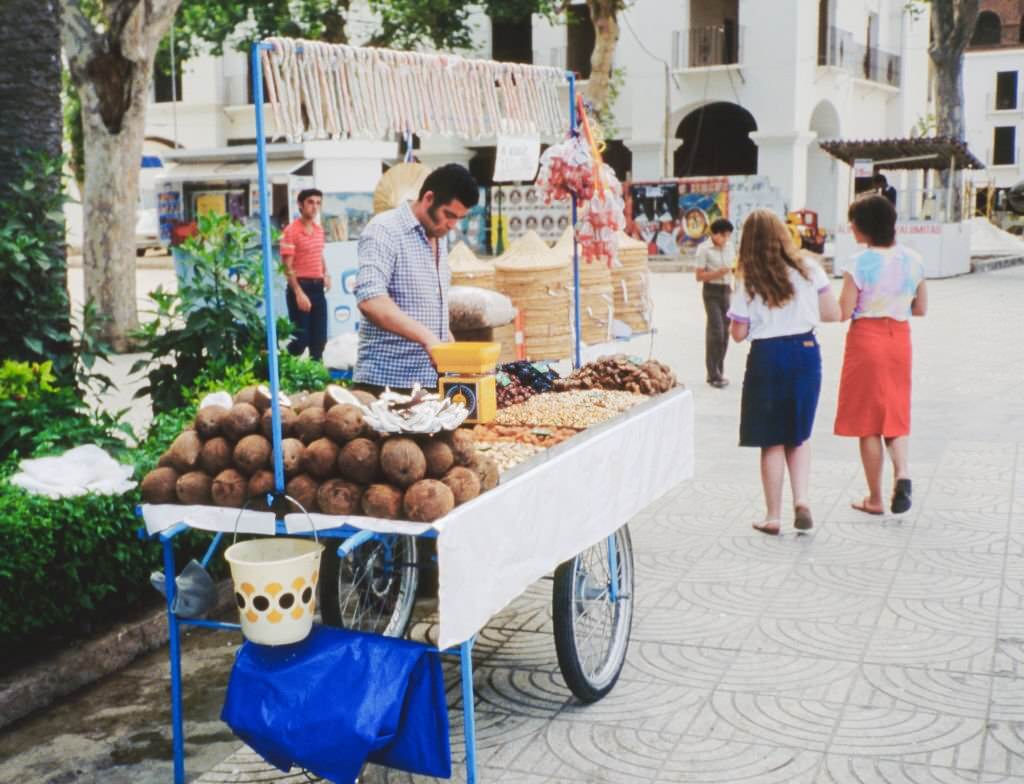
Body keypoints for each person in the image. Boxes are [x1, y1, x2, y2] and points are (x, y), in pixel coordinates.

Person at [727, 209, 841, 535]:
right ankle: (802, 499)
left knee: (772, 440)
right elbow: (832, 313)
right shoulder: (810, 269)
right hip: (805, 352)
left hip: (767, 356)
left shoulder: (748, 278)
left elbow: (737, 334)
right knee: (799, 434)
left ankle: (773, 516)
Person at [835, 194, 927, 515]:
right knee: (895, 412)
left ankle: (874, 498)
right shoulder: (913, 260)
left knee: (868, 422)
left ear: (865, 227)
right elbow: (921, 308)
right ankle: (902, 472)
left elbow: (844, 311)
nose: (851, 227)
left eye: (854, 222)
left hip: (866, 341)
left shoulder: (857, 263)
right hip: (899, 340)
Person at [354, 163, 479, 392]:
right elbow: (370, 299)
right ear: (429, 198)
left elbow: (429, 308)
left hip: (431, 381)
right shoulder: (384, 229)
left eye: (459, 218)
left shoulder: (439, 236)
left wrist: (448, 345)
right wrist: (428, 339)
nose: (452, 225)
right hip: (388, 384)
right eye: (449, 215)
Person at [280, 189, 330, 361]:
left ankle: (317, 380)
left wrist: (326, 273)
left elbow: (319, 253)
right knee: (301, 340)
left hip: (318, 288)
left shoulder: (318, 230)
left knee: (320, 341)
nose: (314, 206)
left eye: (318, 202)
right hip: (300, 287)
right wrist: (298, 293)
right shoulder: (291, 231)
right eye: (310, 202)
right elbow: (287, 267)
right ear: (300, 205)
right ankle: (280, 365)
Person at [695, 218, 735, 388]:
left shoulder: (730, 247)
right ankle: (712, 374)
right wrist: (718, 273)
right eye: (723, 236)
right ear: (714, 234)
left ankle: (719, 370)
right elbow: (699, 276)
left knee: (725, 333)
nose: (725, 239)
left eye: (728, 236)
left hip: (726, 290)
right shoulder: (704, 249)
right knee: (715, 331)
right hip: (711, 291)